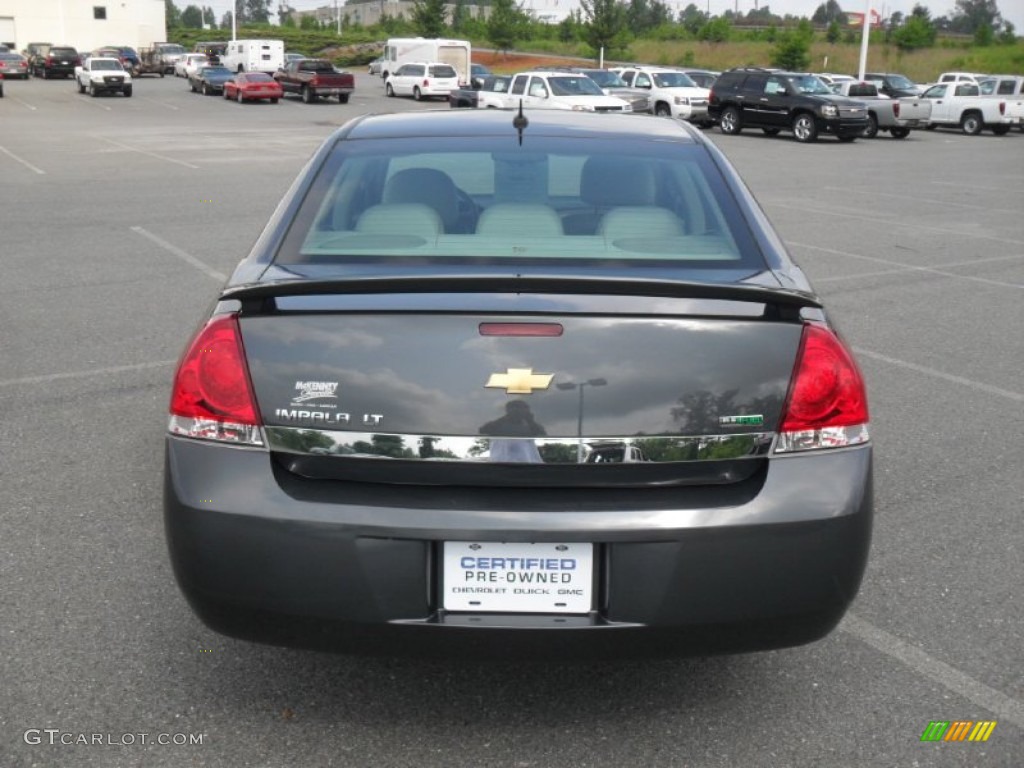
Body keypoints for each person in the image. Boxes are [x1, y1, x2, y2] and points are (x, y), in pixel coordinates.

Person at [479, 400, 546, 463]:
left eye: (522, 409)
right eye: (515, 409)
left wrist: (531, 421)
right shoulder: (498, 426)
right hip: (501, 464)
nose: (518, 412)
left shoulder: (531, 427)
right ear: (507, 411)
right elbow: (482, 431)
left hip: (528, 464)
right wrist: (504, 418)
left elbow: (542, 435)